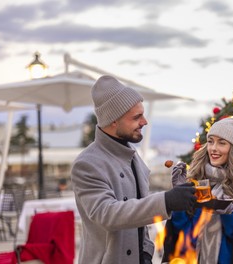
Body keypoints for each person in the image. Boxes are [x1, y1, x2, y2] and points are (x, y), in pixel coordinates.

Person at [71, 75, 197, 264]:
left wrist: (146, 253)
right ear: (113, 121)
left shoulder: (133, 156)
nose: (144, 121)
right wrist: (167, 200)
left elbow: (140, 217)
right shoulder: (87, 164)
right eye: (137, 117)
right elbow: (107, 213)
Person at [162, 114, 233, 264]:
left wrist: (227, 212)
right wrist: (179, 196)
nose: (213, 149)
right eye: (210, 142)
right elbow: (181, 231)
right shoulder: (196, 181)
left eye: (222, 143)